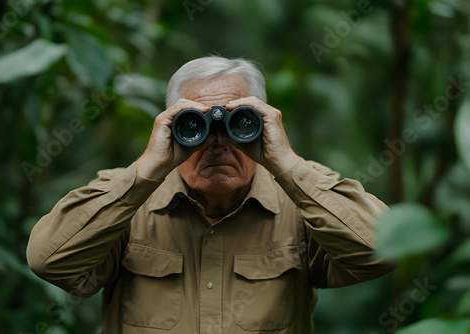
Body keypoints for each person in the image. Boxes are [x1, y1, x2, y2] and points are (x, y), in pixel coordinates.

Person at [27, 56, 395, 334]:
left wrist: (286, 163)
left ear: (266, 123)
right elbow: (50, 261)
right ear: (169, 127)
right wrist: (145, 171)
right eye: (195, 126)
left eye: (241, 124)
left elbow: (385, 249)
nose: (218, 143)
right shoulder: (126, 201)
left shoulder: (301, 203)